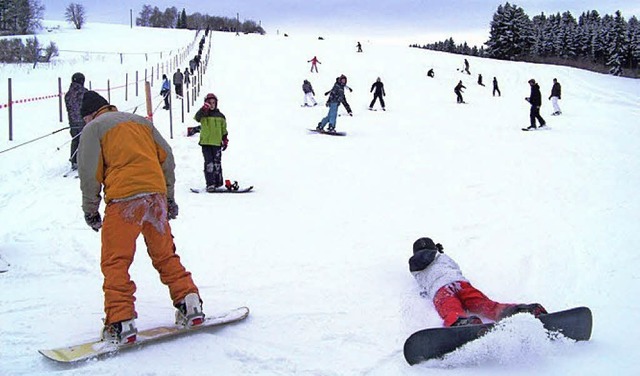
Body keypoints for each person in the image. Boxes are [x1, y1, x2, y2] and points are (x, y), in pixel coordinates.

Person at [77, 91, 205, 345]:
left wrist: (91, 209)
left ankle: (120, 321)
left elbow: (89, 172)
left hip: (124, 200)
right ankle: (190, 303)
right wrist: (168, 197)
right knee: (165, 254)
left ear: (90, 114)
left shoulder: (94, 128)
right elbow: (166, 157)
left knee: (116, 261)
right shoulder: (141, 123)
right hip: (154, 196)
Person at [409, 237, 547, 327]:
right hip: (461, 284)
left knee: (451, 309)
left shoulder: (415, 268)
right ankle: (520, 311)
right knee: (487, 306)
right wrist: (438, 253)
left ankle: (462, 324)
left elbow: (423, 284)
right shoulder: (443, 257)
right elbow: (456, 268)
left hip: (441, 290)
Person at [194, 93, 229, 192]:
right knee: (209, 163)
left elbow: (224, 129)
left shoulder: (221, 116)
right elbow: (197, 118)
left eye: (213, 103)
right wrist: (203, 109)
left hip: (217, 143)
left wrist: (225, 139)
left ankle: (218, 182)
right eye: (209, 103)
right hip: (206, 143)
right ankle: (210, 183)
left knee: (217, 163)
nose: (212, 105)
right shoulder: (203, 115)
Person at [64, 72, 88, 170]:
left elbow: (68, 108)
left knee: (75, 140)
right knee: (85, 140)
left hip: (72, 121)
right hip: (84, 120)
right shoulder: (85, 92)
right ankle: (84, 161)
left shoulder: (68, 94)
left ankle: (74, 161)